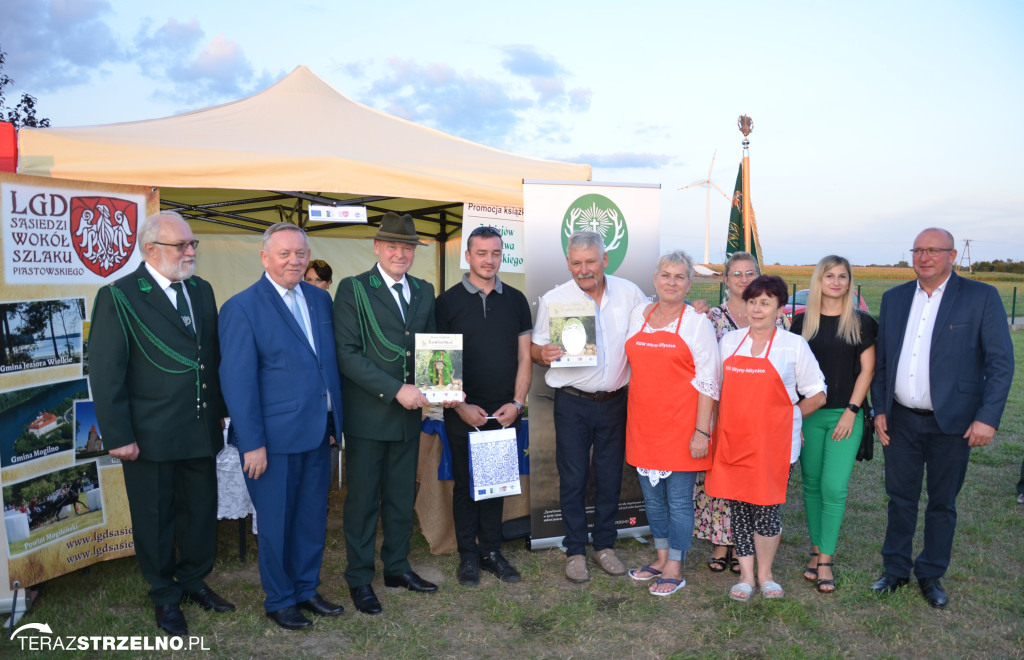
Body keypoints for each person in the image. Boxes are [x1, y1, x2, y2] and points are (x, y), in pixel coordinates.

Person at [89, 210, 234, 637]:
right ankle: (164, 595)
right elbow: (106, 371)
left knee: (199, 512)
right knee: (155, 518)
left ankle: (193, 581)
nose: (190, 253)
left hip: (199, 427)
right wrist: (118, 436)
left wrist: (221, 411)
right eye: (181, 246)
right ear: (151, 249)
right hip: (148, 435)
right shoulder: (119, 296)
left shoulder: (202, 291)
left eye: (193, 245)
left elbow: (211, 356)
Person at [869, 227, 1014, 609]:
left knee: (942, 501)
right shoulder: (895, 298)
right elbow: (883, 362)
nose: (924, 257)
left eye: (933, 250)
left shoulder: (981, 297)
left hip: (954, 421)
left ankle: (931, 573)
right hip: (900, 419)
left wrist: (988, 418)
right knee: (899, 498)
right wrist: (879, 409)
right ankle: (895, 569)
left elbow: (1001, 362)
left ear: (952, 255)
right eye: (918, 250)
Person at [219, 222, 345, 630]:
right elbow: (237, 382)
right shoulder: (241, 307)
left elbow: (324, 365)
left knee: (311, 519)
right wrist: (252, 443)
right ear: (264, 257)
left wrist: (333, 419)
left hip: (316, 432)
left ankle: (307, 589)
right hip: (271, 442)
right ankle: (279, 599)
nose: (294, 260)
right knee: (276, 524)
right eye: (285, 254)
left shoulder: (319, 300)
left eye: (301, 254)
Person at [333, 212, 438, 615]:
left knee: (399, 498)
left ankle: (396, 567)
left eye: (407, 247)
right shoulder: (354, 289)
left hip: (409, 417)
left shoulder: (424, 290)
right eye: (392, 246)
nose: (400, 253)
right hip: (369, 416)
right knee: (362, 502)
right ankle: (360, 578)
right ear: (377, 248)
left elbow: (430, 349)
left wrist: (441, 386)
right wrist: (396, 390)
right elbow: (347, 354)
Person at [531, 231, 648, 583]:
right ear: (568, 263)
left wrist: (694, 310)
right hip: (573, 402)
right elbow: (536, 349)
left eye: (591, 262)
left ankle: (605, 546)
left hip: (615, 401)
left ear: (605, 260)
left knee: (611, 477)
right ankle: (576, 551)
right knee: (574, 477)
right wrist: (544, 353)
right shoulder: (555, 299)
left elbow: (658, 325)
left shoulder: (630, 294)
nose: (584, 270)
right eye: (577, 263)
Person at [705, 275, 826, 603]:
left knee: (767, 512)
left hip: (775, 447)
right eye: (753, 302)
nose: (757, 309)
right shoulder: (730, 342)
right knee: (740, 510)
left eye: (766, 303)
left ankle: (766, 575)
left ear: (780, 308)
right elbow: (715, 389)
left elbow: (817, 394)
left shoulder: (793, 345)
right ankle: (746, 576)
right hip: (734, 442)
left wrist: (790, 417)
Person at [435, 226, 532, 586]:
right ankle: (467, 556)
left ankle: (491, 552)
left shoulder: (517, 300)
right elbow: (439, 364)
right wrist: (461, 407)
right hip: (463, 410)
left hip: (503, 412)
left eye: (495, 253)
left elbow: (525, 358)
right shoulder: (446, 302)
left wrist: (518, 403)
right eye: (481, 253)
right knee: (465, 486)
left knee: (495, 485)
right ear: (469, 256)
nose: (489, 260)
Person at [624, 250, 719, 596]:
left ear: (689, 284)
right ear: (655, 279)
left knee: (678, 501)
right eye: (666, 275)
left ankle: (675, 566)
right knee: (652, 500)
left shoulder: (697, 322)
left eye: (680, 277)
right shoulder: (638, 315)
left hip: (682, 427)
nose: (672, 282)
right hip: (643, 425)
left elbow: (709, 381)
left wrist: (701, 432)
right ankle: (661, 557)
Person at [697, 251, 789, 574]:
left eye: (749, 272)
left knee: (754, 484)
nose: (743, 279)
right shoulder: (711, 318)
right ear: (725, 279)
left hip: (764, 421)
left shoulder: (780, 319)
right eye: (736, 273)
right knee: (725, 481)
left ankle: (745, 548)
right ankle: (723, 543)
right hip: (725, 410)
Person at [791, 255, 877, 593]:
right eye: (830, 276)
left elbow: (867, 370)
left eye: (843, 276)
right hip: (809, 416)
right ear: (819, 280)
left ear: (849, 282)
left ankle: (825, 559)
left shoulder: (861, 322)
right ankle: (815, 551)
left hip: (846, 415)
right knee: (811, 485)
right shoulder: (801, 323)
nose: (836, 282)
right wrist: (796, 415)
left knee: (833, 486)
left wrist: (852, 411)